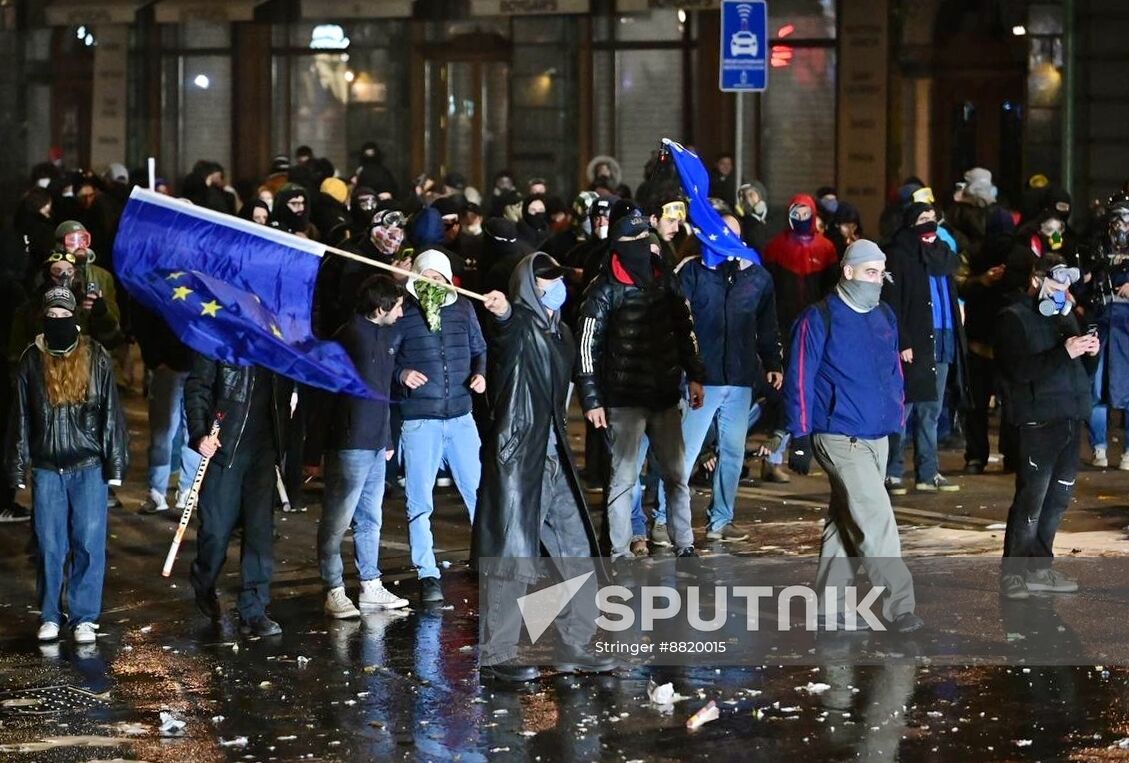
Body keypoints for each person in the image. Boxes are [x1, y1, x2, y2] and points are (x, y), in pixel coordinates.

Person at [475, 253, 613, 682]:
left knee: (578, 552)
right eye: (546, 281)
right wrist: (502, 311)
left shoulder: (563, 333)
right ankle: (498, 654)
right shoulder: (520, 324)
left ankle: (576, 644)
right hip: (518, 456)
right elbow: (504, 333)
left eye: (558, 280)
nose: (556, 287)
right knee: (512, 558)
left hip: (555, 458)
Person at [774, 240, 923, 633]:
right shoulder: (818, 318)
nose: (878, 280)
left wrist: (896, 414)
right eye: (870, 272)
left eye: (881, 273)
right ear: (849, 271)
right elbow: (800, 378)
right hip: (839, 435)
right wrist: (801, 436)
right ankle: (898, 606)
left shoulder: (885, 315)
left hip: (877, 434)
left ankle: (829, 607)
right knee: (876, 519)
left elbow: (892, 370)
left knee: (844, 519)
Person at [576, 203, 705, 560]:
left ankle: (685, 542)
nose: (640, 245)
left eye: (643, 237)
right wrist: (592, 400)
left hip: (664, 396)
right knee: (622, 481)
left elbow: (685, 329)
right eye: (632, 238)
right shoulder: (604, 289)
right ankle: (618, 550)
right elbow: (587, 346)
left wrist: (695, 376)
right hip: (624, 400)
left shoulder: (666, 280)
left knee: (677, 475)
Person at [7, 287, 128, 643]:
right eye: (53, 316)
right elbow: (21, 418)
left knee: (89, 543)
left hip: (88, 464)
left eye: (64, 315)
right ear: (44, 318)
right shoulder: (32, 358)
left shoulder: (96, 355)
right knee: (49, 544)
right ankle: (50, 614)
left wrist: (115, 464)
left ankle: (84, 616)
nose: (58, 321)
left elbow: (111, 413)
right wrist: (16, 468)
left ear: (75, 317)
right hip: (47, 468)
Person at [664, 213, 782, 543]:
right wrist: (685, 371)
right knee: (684, 454)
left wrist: (772, 361)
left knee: (731, 452)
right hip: (703, 378)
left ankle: (721, 520)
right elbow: (677, 323)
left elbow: (767, 324)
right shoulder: (692, 271)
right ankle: (665, 518)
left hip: (740, 378)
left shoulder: (756, 277)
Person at [996, 251, 1097, 600]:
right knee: (1031, 501)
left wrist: (1089, 350)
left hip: (1070, 416)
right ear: (1037, 280)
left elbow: (1080, 368)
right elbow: (1018, 371)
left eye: (1068, 285)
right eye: (1056, 283)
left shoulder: (1065, 315)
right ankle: (1014, 574)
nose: (1063, 292)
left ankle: (1041, 568)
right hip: (1036, 420)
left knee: (1058, 500)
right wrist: (1063, 352)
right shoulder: (1013, 317)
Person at [393, 249, 487, 603]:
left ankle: (487, 558)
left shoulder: (463, 308)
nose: (432, 283)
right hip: (420, 420)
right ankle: (427, 571)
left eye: (439, 277)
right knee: (419, 500)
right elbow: (385, 360)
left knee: (478, 493)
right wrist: (401, 374)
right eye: (426, 277)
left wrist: (480, 375)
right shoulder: (403, 313)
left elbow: (480, 349)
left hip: (461, 417)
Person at [319, 276, 411, 618]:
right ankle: (334, 588)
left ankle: (370, 585)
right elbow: (328, 395)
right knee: (337, 521)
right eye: (397, 306)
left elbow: (382, 394)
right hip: (350, 443)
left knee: (370, 517)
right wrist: (317, 450)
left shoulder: (383, 335)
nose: (401, 313)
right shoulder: (348, 338)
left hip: (374, 443)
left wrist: (387, 438)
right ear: (379, 307)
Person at [184, 351, 292, 636]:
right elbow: (197, 387)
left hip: (264, 452)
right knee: (215, 532)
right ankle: (204, 581)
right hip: (224, 450)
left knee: (260, 532)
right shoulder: (220, 338)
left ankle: (254, 609)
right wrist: (198, 434)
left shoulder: (275, 340)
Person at [882, 201, 968, 493]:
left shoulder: (941, 254)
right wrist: (902, 341)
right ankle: (892, 472)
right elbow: (892, 301)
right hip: (916, 341)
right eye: (922, 218)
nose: (929, 223)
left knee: (932, 409)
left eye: (933, 217)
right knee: (903, 409)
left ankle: (928, 472)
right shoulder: (900, 254)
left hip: (942, 337)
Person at [762, 194, 839, 344]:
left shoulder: (826, 247)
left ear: (813, 214)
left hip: (817, 315)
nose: (801, 218)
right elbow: (769, 285)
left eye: (805, 214)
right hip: (784, 318)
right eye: (796, 214)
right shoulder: (776, 247)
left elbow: (832, 284)